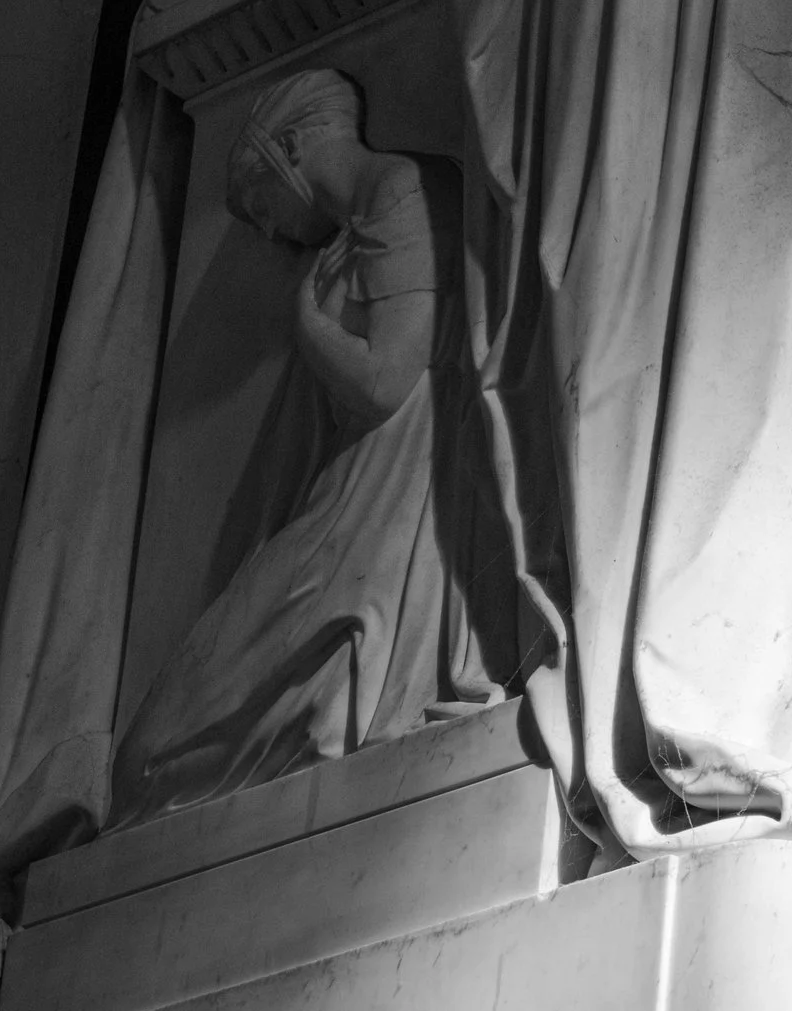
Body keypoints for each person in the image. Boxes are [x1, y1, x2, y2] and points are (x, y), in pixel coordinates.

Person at [110, 66, 513, 821]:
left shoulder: (401, 193)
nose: (264, 228)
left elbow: (386, 382)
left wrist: (309, 323)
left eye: (256, 199)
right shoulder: (359, 229)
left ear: (293, 145)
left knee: (149, 758)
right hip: (346, 505)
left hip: (377, 520)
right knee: (143, 761)